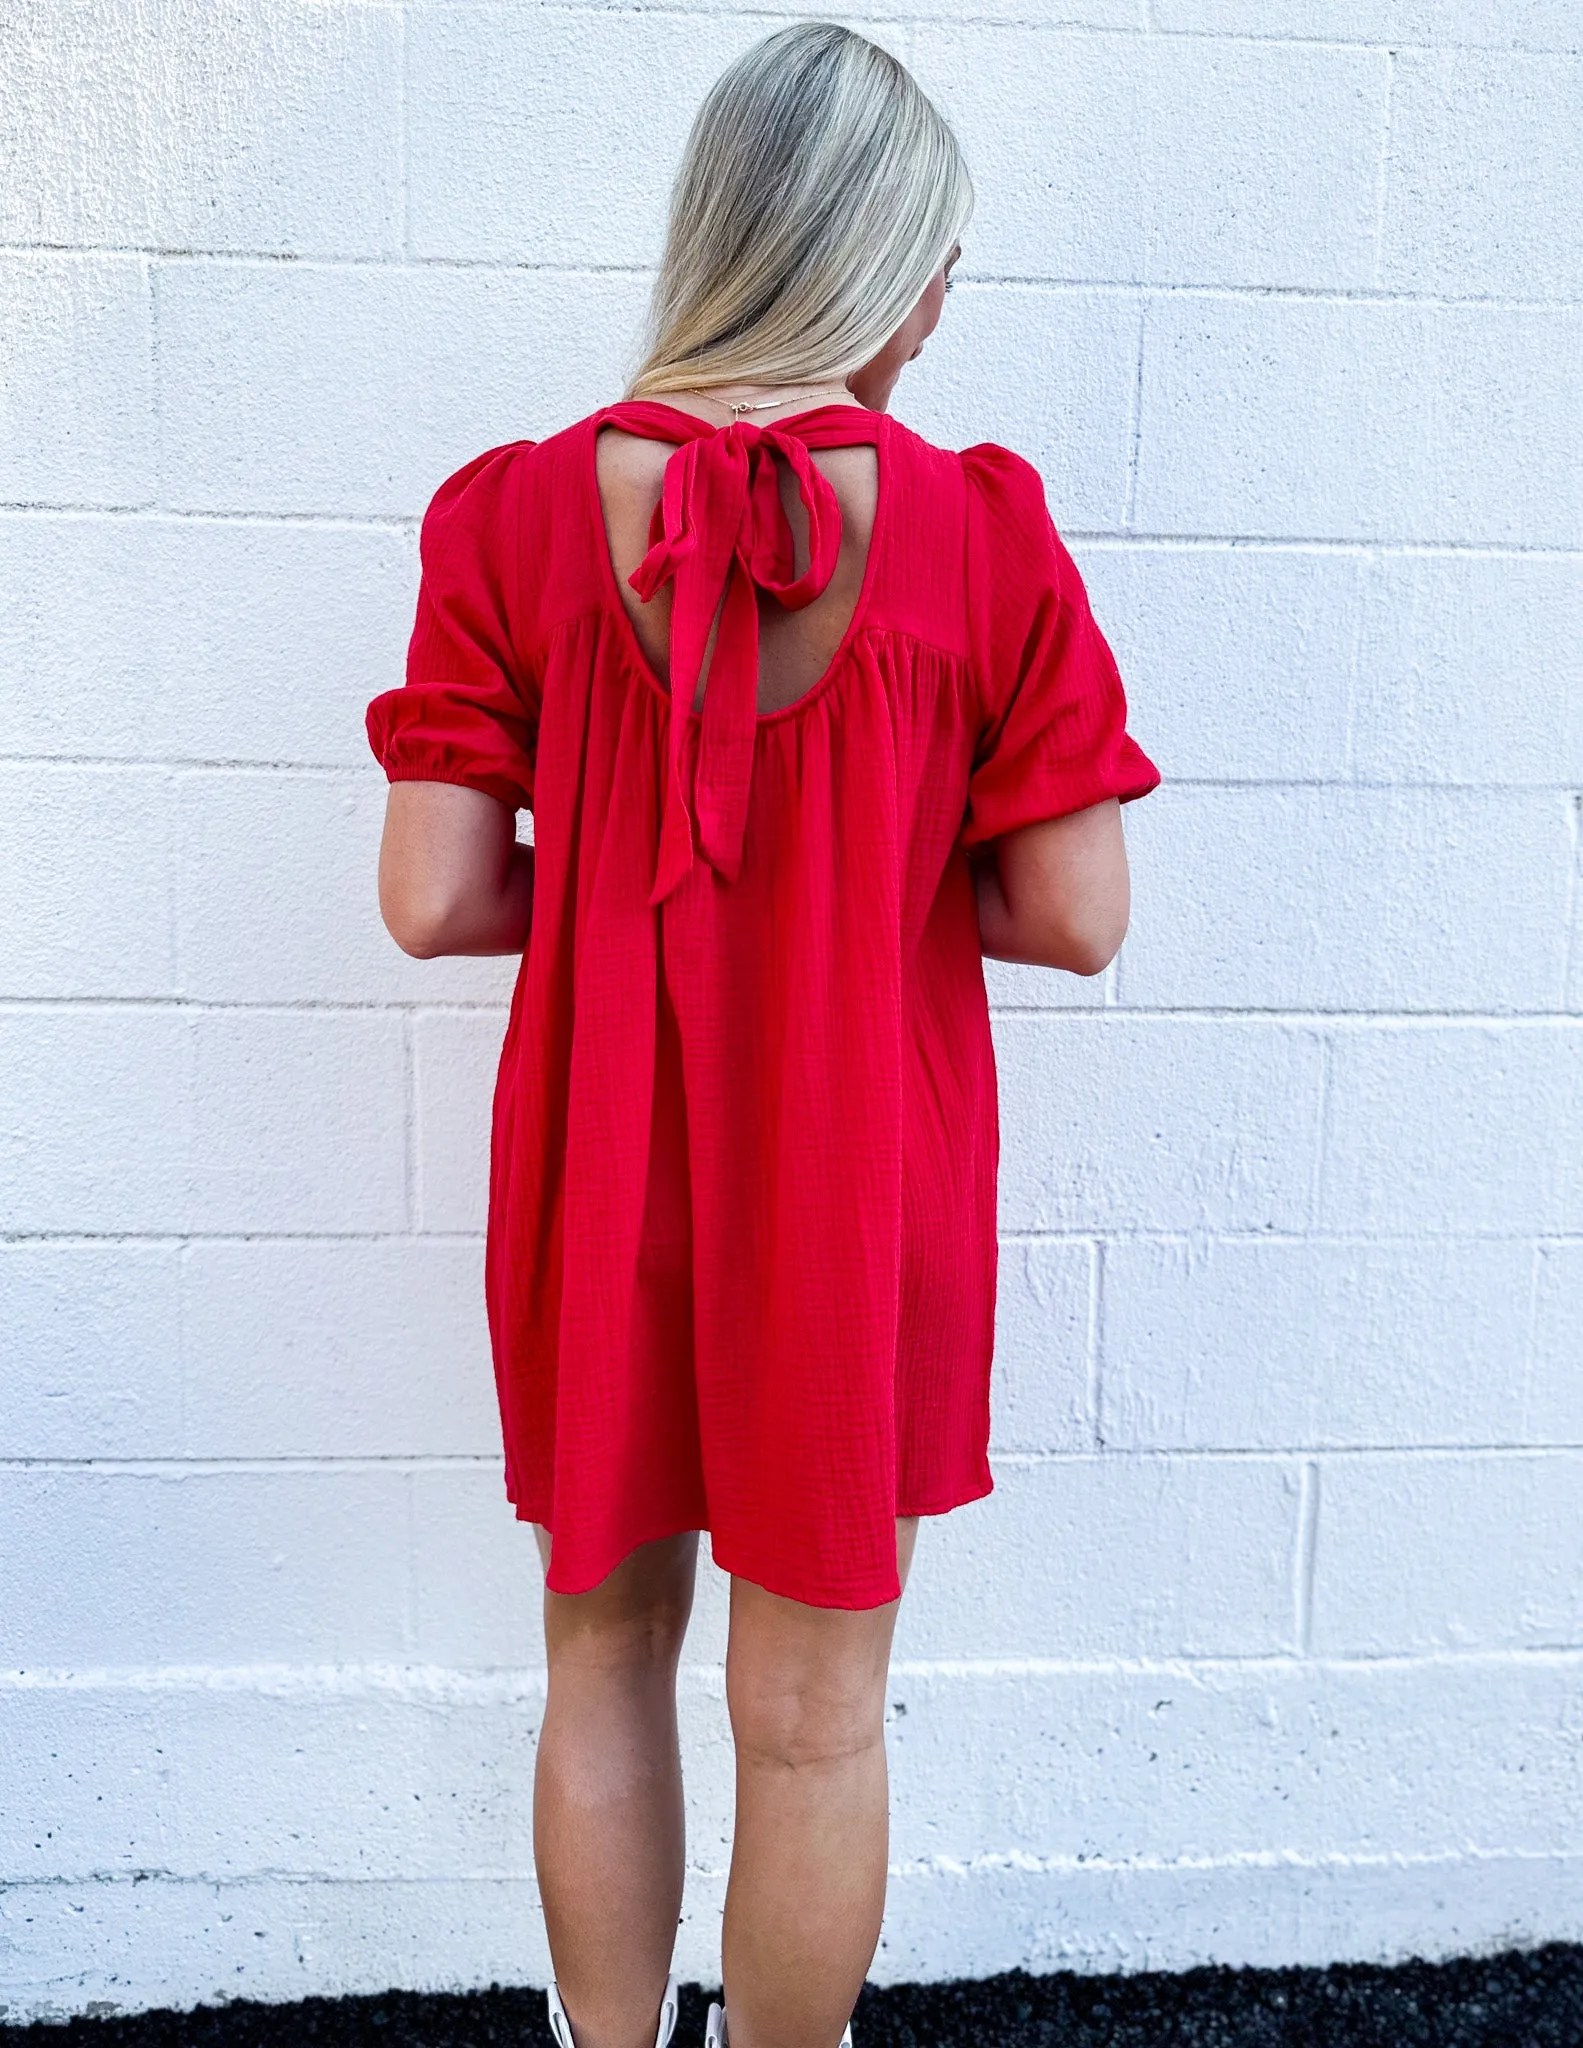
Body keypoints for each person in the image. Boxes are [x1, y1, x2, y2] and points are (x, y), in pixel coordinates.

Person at [367, 21, 1160, 2048]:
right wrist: (860, 885)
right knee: (811, 1725)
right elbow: (1074, 914)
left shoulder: (520, 516)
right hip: (856, 1185)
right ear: (891, 273)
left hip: (598, 1164)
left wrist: (652, 884)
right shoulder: (978, 534)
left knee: (601, 1668)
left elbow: (437, 891)